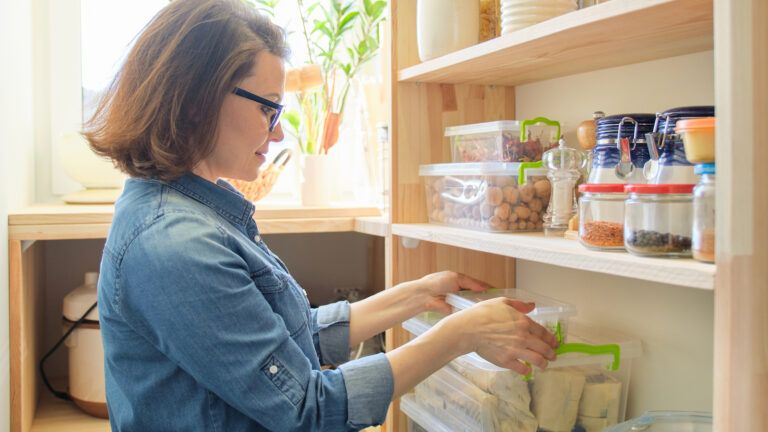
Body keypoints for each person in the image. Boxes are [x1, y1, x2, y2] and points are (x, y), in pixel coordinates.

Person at [85, 0, 558, 430]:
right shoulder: (174, 245)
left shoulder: (197, 212)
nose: (277, 133)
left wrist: (415, 297)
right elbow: (307, 410)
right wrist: (458, 335)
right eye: (269, 108)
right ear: (197, 101)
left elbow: (290, 339)